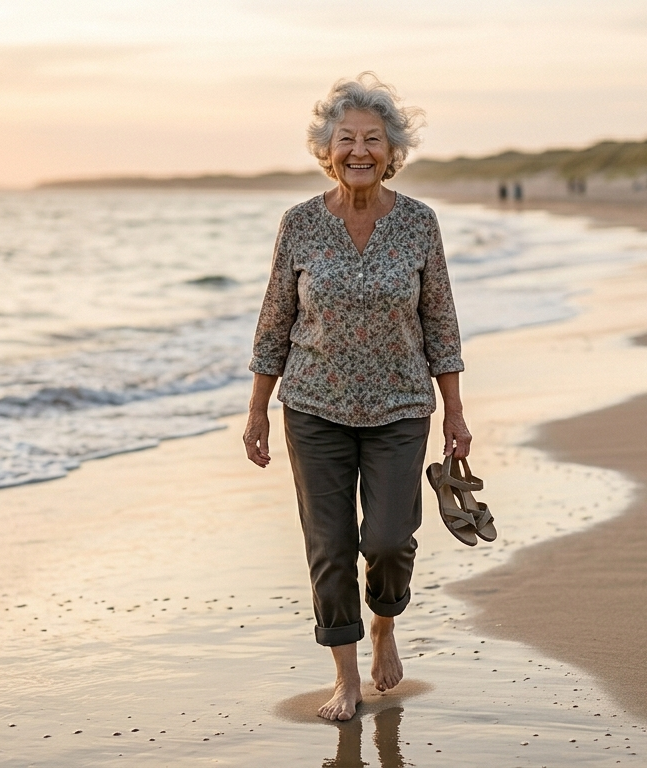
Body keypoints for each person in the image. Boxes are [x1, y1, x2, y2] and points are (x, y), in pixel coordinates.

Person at [244, 73, 471, 722]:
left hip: (401, 408)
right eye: (347, 139)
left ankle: (385, 622)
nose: (360, 150)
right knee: (330, 543)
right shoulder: (301, 225)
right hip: (314, 408)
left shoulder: (420, 225)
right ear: (328, 148)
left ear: (392, 149)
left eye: (374, 138)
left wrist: (454, 411)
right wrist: (258, 409)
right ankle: (345, 674)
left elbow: (441, 323)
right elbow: (274, 322)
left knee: (392, 540)